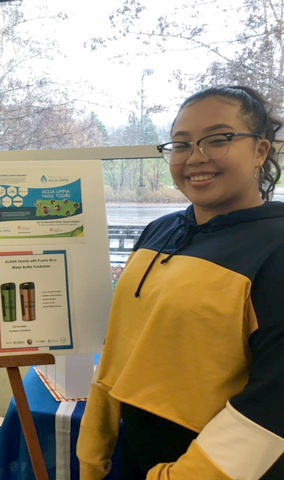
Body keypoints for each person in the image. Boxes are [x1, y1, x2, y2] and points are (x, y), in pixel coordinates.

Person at [77, 86, 284, 480]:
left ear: (260, 151)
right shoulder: (160, 230)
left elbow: (273, 403)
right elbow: (122, 347)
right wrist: (94, 446)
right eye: (182, 144)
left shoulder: (275, 247)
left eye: (219, 139)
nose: (195, 157)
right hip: (135, 452)